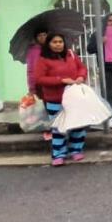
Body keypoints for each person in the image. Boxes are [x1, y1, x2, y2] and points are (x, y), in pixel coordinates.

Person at [34, 33, 88, 167]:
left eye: (60, 42)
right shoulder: (43, 60)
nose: (58, 44)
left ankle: (76, 150)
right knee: (59, 128)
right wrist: (61, 80)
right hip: (55, 99)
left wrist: (81, 76)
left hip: (74, 97)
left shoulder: (71, 54)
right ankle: (59, 154)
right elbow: (40, 78)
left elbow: (82, 68)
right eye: (54, 42)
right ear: (48, 44)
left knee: (78, 125)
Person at [26, 27, 48, 96]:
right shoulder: (33, 51)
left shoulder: (52, 47)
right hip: (39, 84)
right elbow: (31, 69)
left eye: (44, 35)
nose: (42, 37)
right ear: (36, 38)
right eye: (39, 35)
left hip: (52, 83)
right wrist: (32, 87)